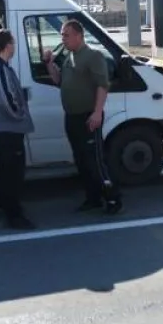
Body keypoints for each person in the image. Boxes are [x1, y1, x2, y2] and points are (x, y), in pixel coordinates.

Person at [43, 19, 123, 214]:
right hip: (72, 117)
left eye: (66, 35)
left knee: (94, 161)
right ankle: (92, 198)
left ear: (79, 35)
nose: (63, 38)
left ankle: (112, 198)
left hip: (89, 117)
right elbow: (59, 81)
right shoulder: (70, 56)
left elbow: (102, 85)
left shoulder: (92, 56)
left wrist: (97, 113)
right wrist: (49, 64)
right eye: (62, 35)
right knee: (80, 160)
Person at [0, 29, 36, 229]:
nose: (14, 46)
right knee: (12, 173)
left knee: (4, 171)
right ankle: (14, 214)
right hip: (8, 130)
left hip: (3, 129)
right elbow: (5, 99)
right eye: (12, 42)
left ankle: (5, 206)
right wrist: (19, 115)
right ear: (6, 45)